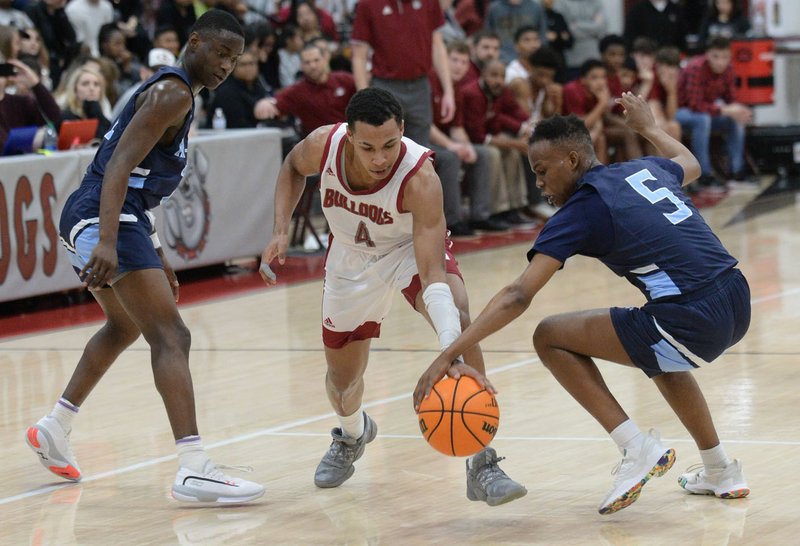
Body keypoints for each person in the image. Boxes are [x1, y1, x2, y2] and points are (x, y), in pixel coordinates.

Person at [415, 91, 751, 515]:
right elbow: (692, 164)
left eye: (541, 171)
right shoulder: (641, 168)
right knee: (656, 352)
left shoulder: (582, 210)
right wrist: (648, 128)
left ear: (572, 160)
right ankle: (721, 469)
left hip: (692, 317)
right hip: (738, 297)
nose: (538, 183)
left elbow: (519, 295)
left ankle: (636, 448)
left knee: (550, 336)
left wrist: (449, 353)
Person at [25, 9, 264, 504]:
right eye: (220, 53)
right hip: (101, 215)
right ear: (193, 43)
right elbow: (116, 168)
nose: (226, 65)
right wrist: (110, 242)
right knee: (171, 334)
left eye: (235, 58)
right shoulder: (173, 93)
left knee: (125, 325)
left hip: (103, 215)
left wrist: (155, 252)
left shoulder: (179, 94)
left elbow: (136, 182)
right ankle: (193, 466)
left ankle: (55, 425)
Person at [259, 87, 527, 505]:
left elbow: (432, 270)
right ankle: (352, 435)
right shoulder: (322, 146)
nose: (380, 158)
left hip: (407, 253)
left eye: (389, 144)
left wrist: (448, 353)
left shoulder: (420, 178)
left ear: (402, 130)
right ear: (348, 136)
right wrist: (280, 228)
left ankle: (482, 461)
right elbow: (293, 167)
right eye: (367, 147)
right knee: (343, 382)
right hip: (349, 258)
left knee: (457, 310)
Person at [350, 0, 455, 148]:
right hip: (385, 87)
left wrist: (448, 92)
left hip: (421, 86)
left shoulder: (430, 2)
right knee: (385, 146)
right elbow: (359, 56)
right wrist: (364, 97)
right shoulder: (368, 4)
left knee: (420, 150)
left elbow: (437, 45)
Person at [676, 36, 752, 185]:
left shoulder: (729, 69)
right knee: (702, 119)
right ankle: (704, 173)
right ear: (707, 55)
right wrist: (726, 110)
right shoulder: (696, 68)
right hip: (680, 112)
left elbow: (731, 100)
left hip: (708, 111)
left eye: (724, 57)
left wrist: (740, 110)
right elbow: (695, 105)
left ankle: (736, 170)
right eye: (715, 56)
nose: (720, 61)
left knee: (735, 118)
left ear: (729, 57)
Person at [59, 65, 111, 140]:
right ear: (75, 89)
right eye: (85, 84)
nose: (92, 88)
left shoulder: (103, 118)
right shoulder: (64, 116)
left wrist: (96, 112)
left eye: (96, 84)